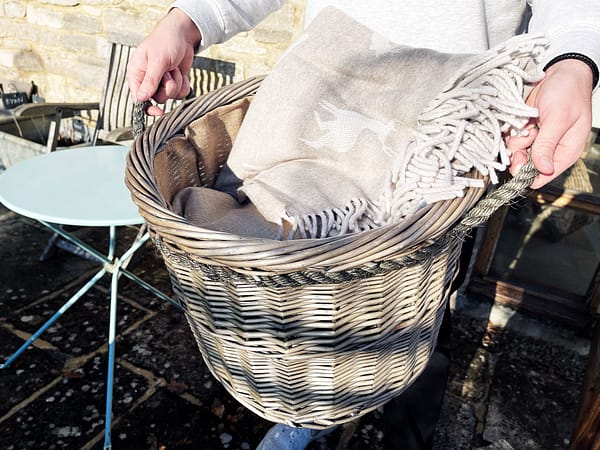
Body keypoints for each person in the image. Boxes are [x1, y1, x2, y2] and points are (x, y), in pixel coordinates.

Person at [127, 2, 599, 449]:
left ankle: (408, 436)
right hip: (328, 88)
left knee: (421, 313)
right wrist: (189, 19)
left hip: (444, 134)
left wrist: (574, 60)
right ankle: (301, 417)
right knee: (295, 310)